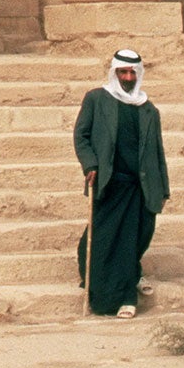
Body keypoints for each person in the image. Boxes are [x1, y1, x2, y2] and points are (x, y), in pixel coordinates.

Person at [72, 48, 169, 318]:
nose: (127, 77)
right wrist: (90, 164)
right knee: (103, 241)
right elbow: (82, 136)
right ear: (114, 72)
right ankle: (121, 297)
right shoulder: (96, 99)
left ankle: (130, 277)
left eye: (131, 73)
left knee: (136, 238)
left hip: (140, 186)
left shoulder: (149, 109)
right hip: (109, 183)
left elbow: (157, 152)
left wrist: (164, 188)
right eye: (122, 72)